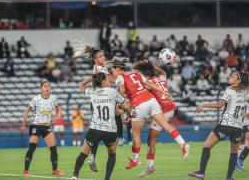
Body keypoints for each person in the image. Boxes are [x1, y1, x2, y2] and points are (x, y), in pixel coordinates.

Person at [109, 60, 190, 170]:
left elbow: (122, 91)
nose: (111, 72)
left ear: (118, 69)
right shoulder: (137, 74)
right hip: (152, 101)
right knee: (166, 125)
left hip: (139, 104)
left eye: (112, 70)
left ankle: (135, 159)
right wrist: (163, 91)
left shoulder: (120, 77)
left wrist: (118, 103)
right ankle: (183, 144)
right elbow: (150, 83)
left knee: (136, 133)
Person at [188, 71, 249, 180]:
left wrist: (204, 105)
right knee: (234, 152)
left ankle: (201, 172)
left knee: (206, 146)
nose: (230, 77)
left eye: (233, 76)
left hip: (226, 125)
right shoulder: (244, 92)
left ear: (238, 81)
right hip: (238, 128)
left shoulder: (229, 90)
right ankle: (229, 177)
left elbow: (220, 105)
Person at [73, 41, 125, 172]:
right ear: (95, 59)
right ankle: (120, 137)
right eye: (101, 56)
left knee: (97, 130)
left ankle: (93, 157)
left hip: (99, 100)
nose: (103, 58)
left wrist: (112, 67)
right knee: (117, 113)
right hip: (101, 99)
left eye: (103, 56)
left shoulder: (101, 68)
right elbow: (110, 80)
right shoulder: (98, 69)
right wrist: (117, 74)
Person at [133, 61, 189, 177]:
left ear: (147, 76)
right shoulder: (162, 77)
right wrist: (150, 64)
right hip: (170, 108)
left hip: (162, 110)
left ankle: (183, 144)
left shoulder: (148, 84)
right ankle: (150, 167)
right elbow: (161, 71)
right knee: (151, 139)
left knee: (152, 140)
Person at [71, 72, 131, 180]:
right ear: (103, 81)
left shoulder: (93, 92)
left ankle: (75, 175)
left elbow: (81, 86)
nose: (108, 81)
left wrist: (90, 78)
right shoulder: (113, 92)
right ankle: (106, 178)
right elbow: (126, 106)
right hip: (110, 130)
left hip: (95, 129)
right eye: (107, 79)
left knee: (84, 153)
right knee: (112, 154)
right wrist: (129, 114)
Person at [21, 80, 64, 177]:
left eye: (49, 86)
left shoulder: (53, 99)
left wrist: (56, 118)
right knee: (32, 148)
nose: (47, 88)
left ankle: (55, 170)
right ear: (41, 88)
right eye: (45, 86)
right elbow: (27, 110)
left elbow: (58, 109)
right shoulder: (36, 99)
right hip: (35, 125)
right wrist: (23, 124)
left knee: (53, 149)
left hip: (46, 126)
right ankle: (26, 170)